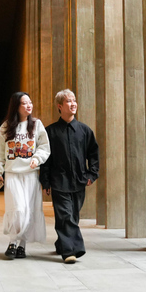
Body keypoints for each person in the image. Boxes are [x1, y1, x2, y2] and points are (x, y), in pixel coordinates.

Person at [40, 89, 99, 264]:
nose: (73, 104)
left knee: (72, 216)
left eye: (74, 100)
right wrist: (45, 181)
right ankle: (71, 250)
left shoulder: (84, 131)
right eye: (69, 101)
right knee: (65, 216)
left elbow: (93, 154)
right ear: (60, 106)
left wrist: (92, 174)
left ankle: (61, 243)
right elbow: (45, 158)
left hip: (79, 181)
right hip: (59, 181)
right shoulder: (50, 132)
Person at [0, 92, 51, 259]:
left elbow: (45, 147)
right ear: (16, 107)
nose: (29, 106)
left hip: (31, 175)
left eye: (30, 102)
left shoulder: (37, 125)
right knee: (18, 209)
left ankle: (21, 246)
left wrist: (37, 159)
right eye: (25, 103)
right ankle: (12, 242)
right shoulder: (6, 127)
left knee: (29, 210)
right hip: (12, 175)